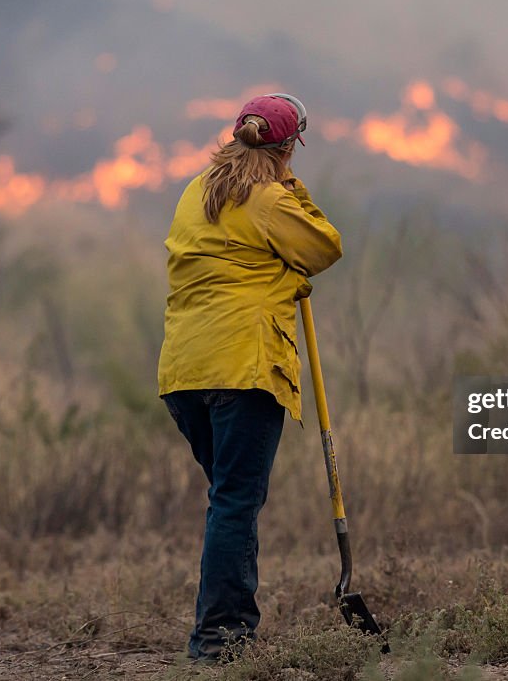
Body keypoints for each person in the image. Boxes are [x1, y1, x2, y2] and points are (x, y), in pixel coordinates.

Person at [157, 93, 343, 663]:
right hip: (244, 366)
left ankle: (228, 628)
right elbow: (324, 246)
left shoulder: (196, 190)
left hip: (185, 371)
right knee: (236, 502)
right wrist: (292, 189)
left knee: (228, 500)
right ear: (288, 148)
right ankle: (221, 642)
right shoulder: (270, 200)